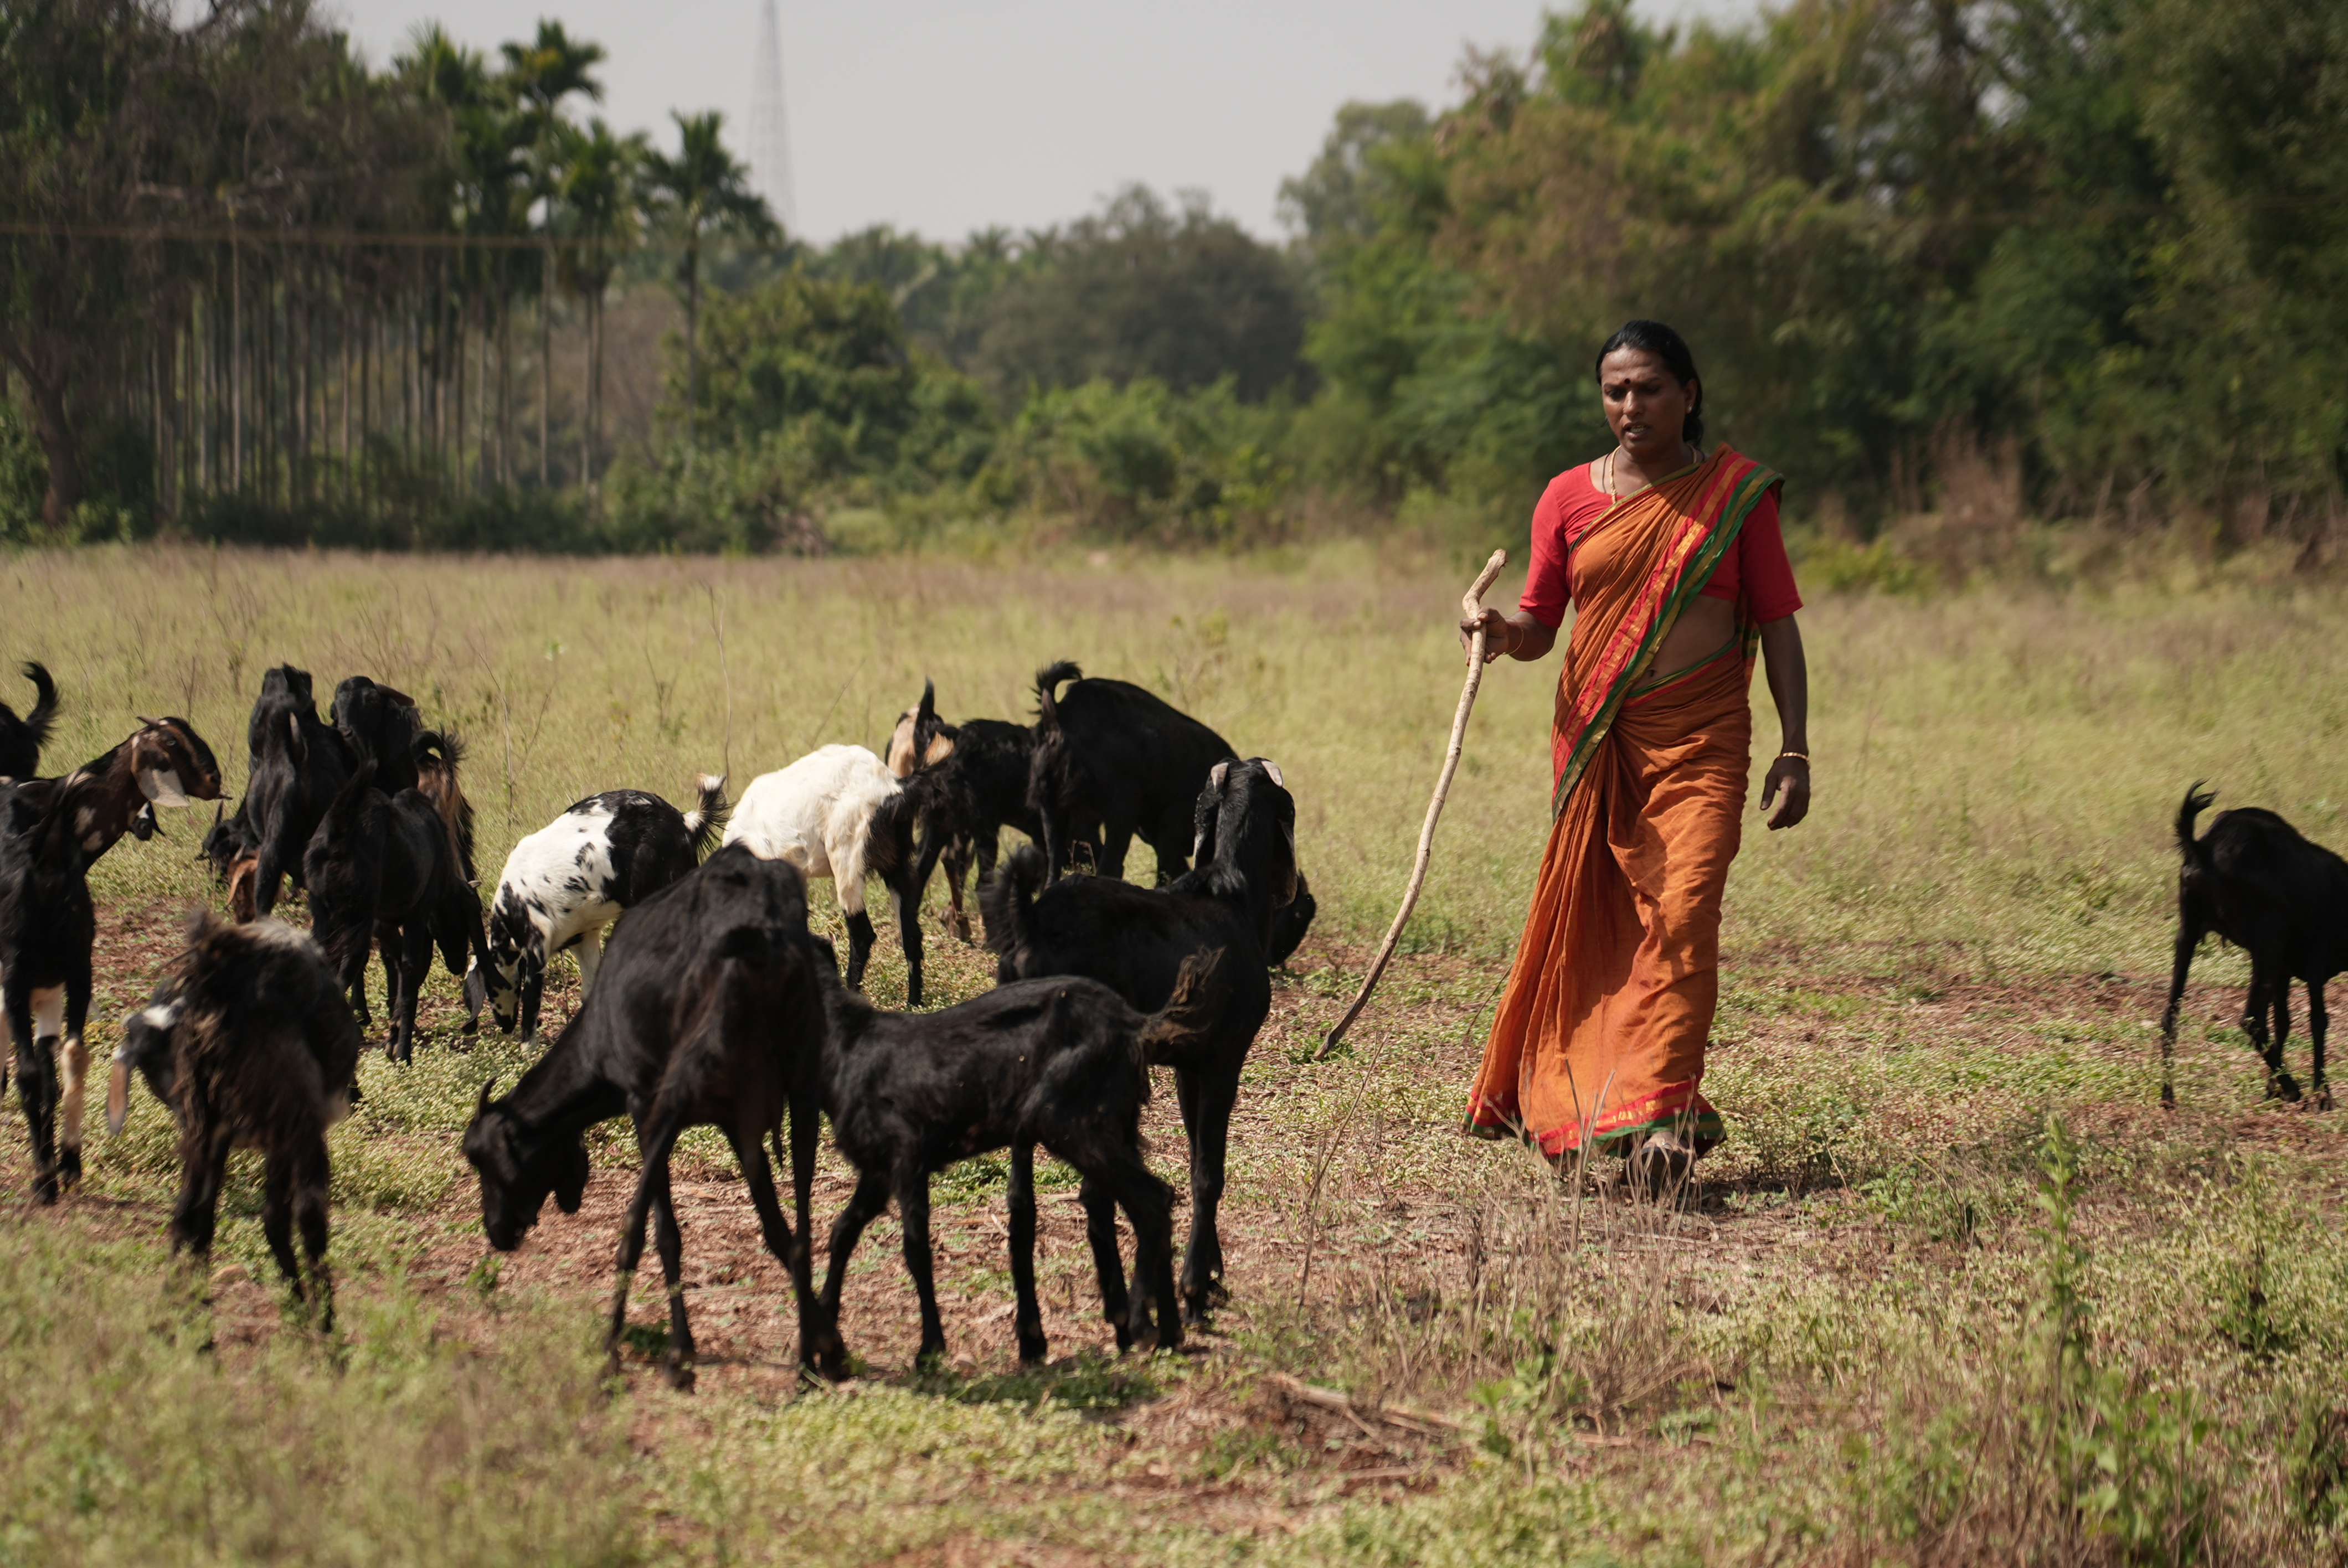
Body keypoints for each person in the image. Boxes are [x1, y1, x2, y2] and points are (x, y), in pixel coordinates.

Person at [1459, 319, 1809, 1191]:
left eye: (1648, 388)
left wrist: (1796, 745)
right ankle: (1598, 1107)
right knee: (1604, 930)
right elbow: (1543, 624)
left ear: (1688, 393)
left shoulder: (1736, 496)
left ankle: (1664, 1125)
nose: (1630, 406)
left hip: (1705, 739)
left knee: (1684, 915)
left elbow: (1778, 625)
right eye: (1615, 390)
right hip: (1599, 742)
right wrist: (1503, 632)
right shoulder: (1568, 499)